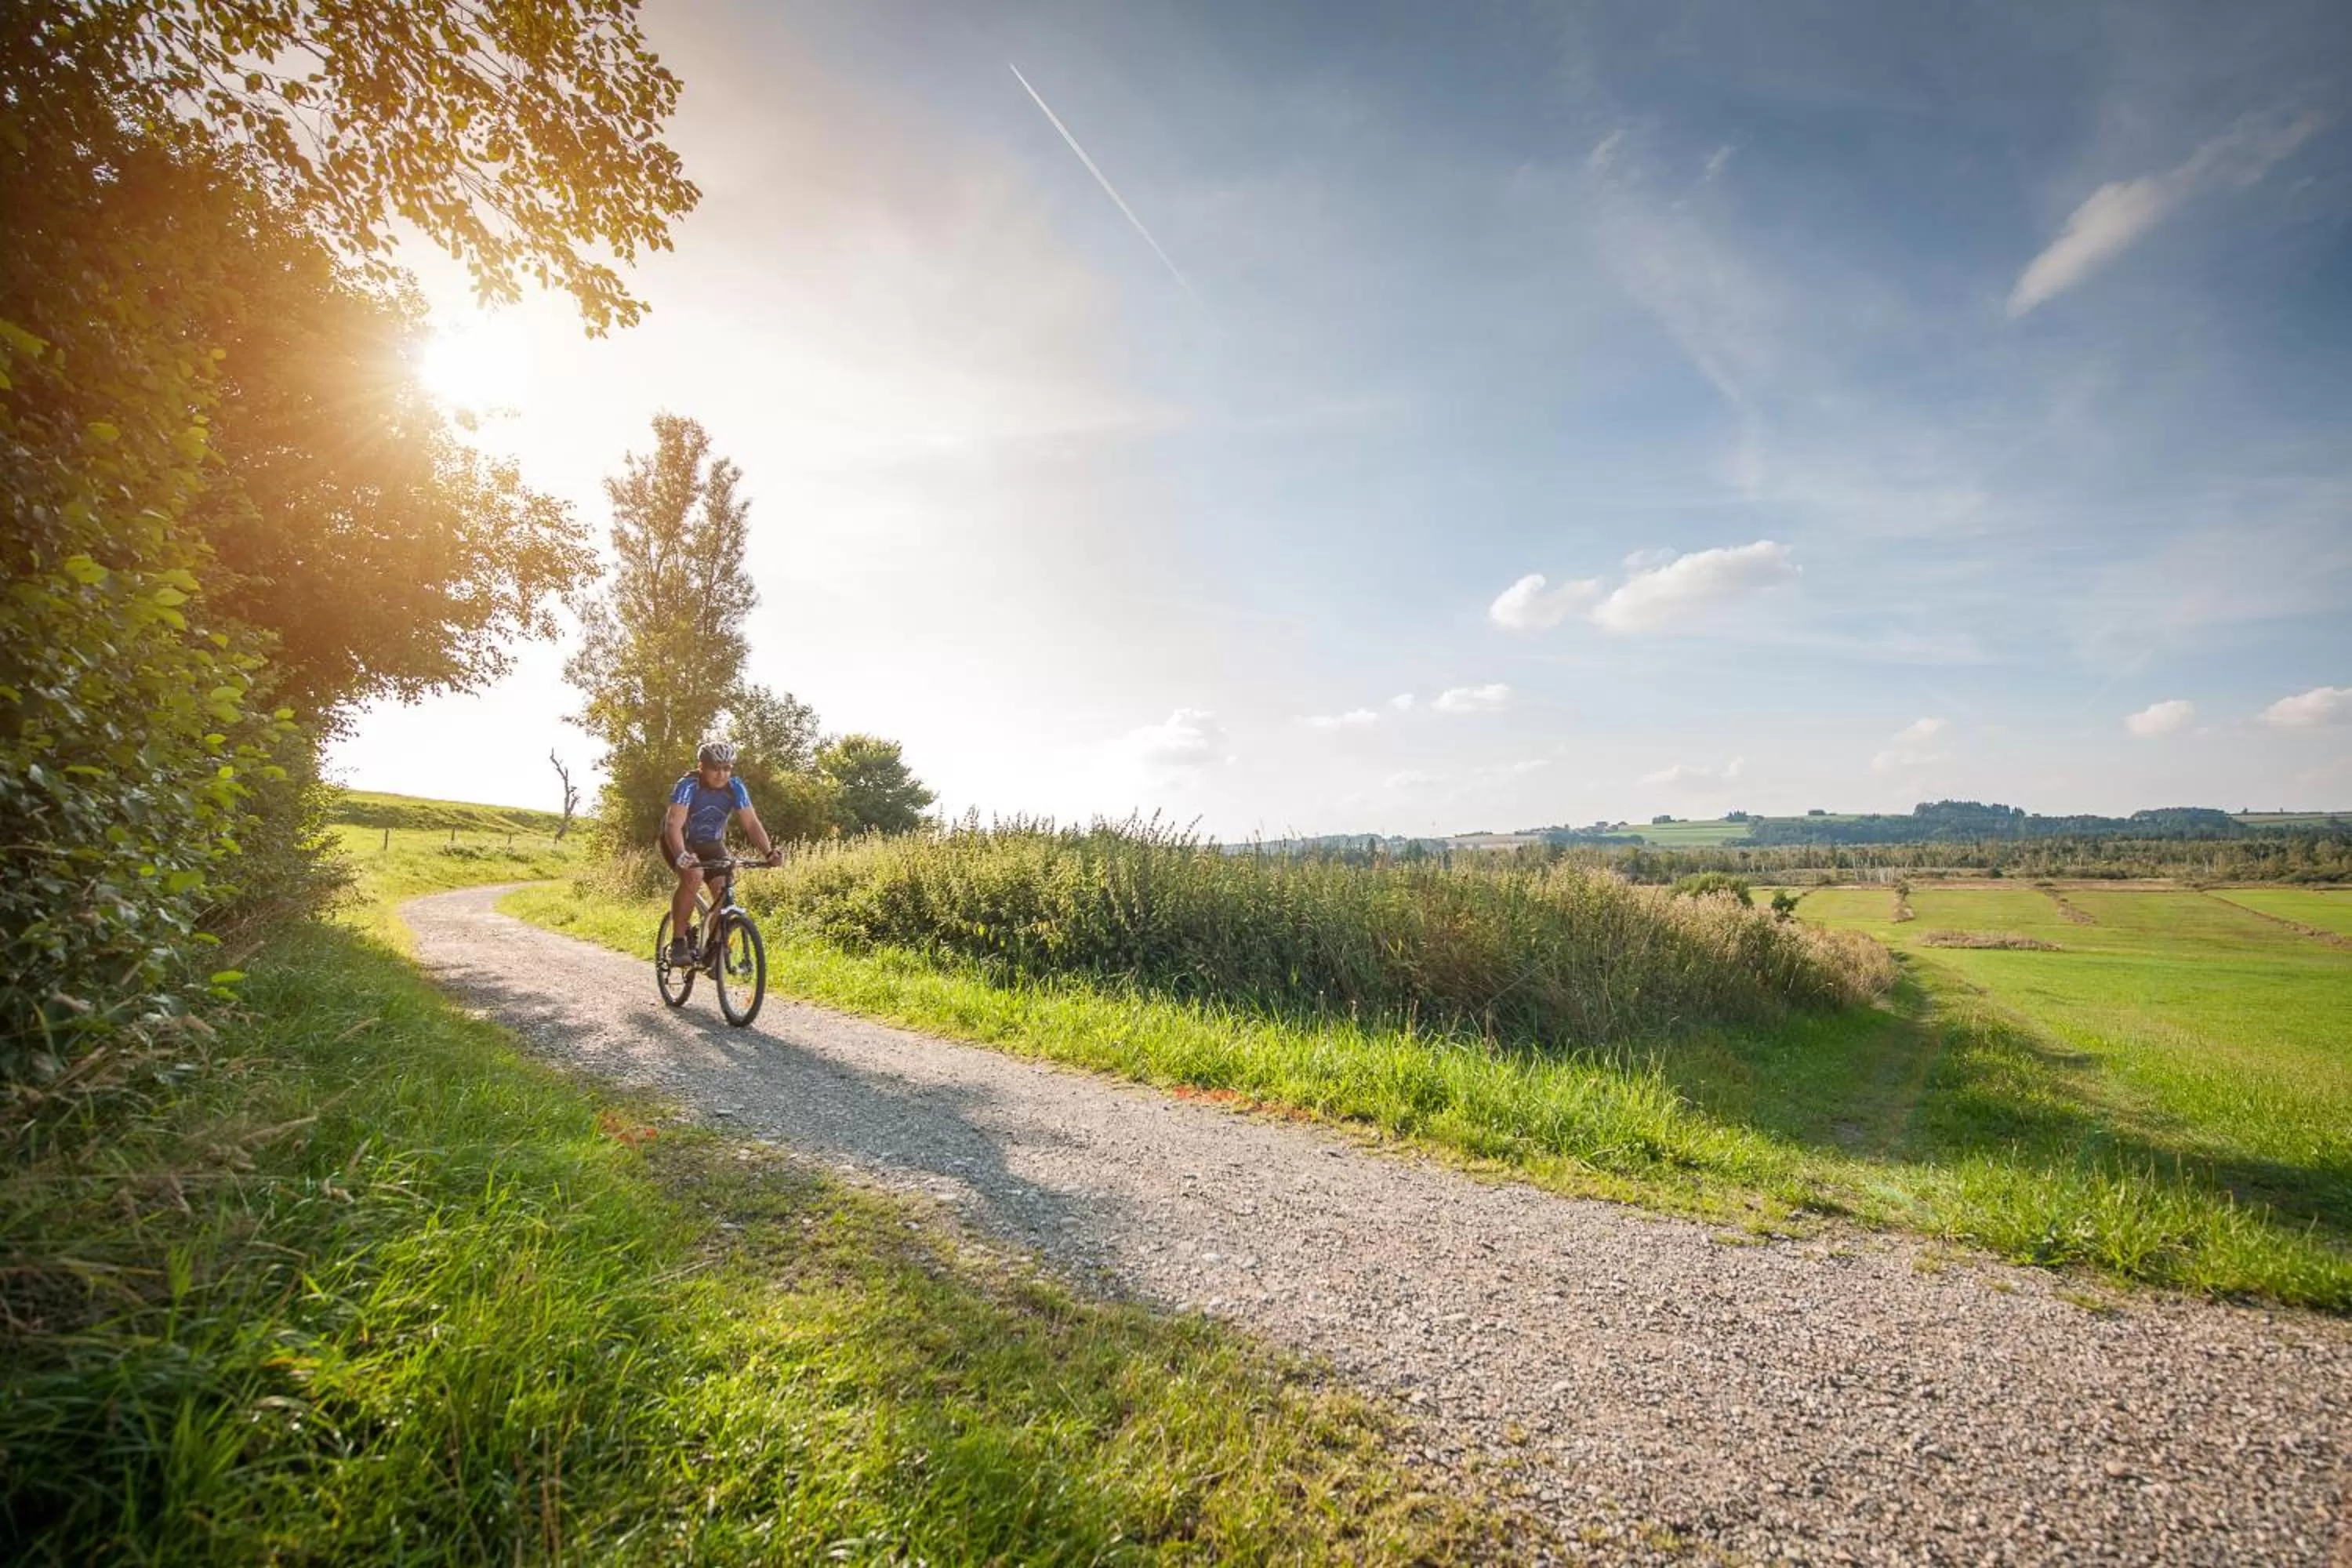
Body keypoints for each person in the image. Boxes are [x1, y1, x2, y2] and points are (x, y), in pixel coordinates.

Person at [662, 740, 781, 967]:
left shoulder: (735, 787)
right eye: (715, 768)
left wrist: (768, 853)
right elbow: (673, 825)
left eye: (727, 768)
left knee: (723, 888)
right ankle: (678, 942)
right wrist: (681, 855)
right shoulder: (688, 785)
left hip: (711, 844)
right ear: (701, 767)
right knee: (693, 877)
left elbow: (752, 824)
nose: (721, 774)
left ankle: (712, 950)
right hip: (680, 840)